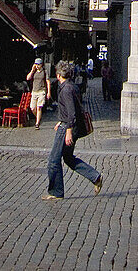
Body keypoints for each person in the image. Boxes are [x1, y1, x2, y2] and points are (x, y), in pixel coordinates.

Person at [43, 60, 103, 200]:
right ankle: (95, 177)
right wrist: (61, 121)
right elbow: (71, 109)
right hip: (67, 125)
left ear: (58, 75)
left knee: (53, 160)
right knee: (68, 158)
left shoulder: (66, 90)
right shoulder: (72, 87)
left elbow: (72, 113)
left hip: (67, 127)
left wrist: (68, 130)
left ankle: (56, 192)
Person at [27, 57, 50, 129]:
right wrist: (32, 70)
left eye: (38, 64)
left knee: (39, 107)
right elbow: (28, 78)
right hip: (34, 91)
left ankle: (37, 123)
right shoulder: (34, 72)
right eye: (36, 64)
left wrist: (48, 92)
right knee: (32, 108)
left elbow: (48, 82)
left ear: (41, 65)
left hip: (41, 91)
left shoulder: (45, 71)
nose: (37, 66)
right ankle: (38, 117)